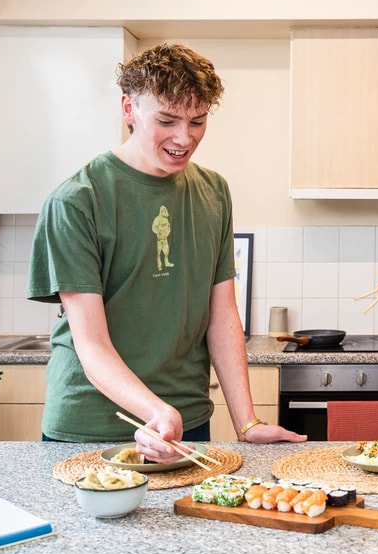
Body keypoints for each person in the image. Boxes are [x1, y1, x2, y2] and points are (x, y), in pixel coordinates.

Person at [28, 43, 305, 459]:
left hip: (187, 421)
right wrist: (153, 411)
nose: (184, 138)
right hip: (92, 426)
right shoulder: (77, 200)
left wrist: (247, 422)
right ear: (128, 109)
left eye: (197, 121)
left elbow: (222, 314)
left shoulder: (213, 191)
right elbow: (91, 344)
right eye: (167, 120)